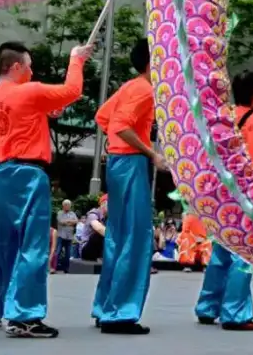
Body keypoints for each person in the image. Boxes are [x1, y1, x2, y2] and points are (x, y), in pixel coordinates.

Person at [0, 41, 92, 339]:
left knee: (0, 244)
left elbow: (23, 118)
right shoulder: (29, 91)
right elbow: (72, 90)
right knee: (33, 244)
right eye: (28, 65)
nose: (32, 71)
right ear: (16, 66)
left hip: (3, 173)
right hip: (28, 174)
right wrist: (76, 60)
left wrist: (45, 111)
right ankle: (24, 315)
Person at [194, 71, 253, 331]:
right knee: (243, 254)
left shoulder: (220, 119)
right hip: (250, 196)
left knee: (221, 250)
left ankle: (207, 307)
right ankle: (235, 313)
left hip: (221, 193)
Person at [91, 38, 164, 335]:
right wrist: (151, 153)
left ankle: (105, 306)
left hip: (118, 163)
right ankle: (120, 312)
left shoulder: (129, 86)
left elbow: (103, 117)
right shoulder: (145, 89)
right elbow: (120, 125)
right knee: (136, 237)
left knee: (118, 236)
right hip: (132, 163)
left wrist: (116, 145)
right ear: (152, 62)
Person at [81, 197, 108, 262]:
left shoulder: (108, 218)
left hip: (100, 250)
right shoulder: (93, 214)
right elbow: (98, 227)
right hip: (87, 250)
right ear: (103, 204)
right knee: (97, 234)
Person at [55, 200, 78, 274]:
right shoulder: (60, 213)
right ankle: (54, 267)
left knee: (68, 253)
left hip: (69, 236)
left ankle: (67, 268)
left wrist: (67, 222)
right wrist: (70, 222)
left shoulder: (72, 213)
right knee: (58, 252)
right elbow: (61, 222)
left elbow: (76, 221)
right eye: (67, 205)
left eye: (69, 205)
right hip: (61, 235)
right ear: (63, 205)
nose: (68, 206)